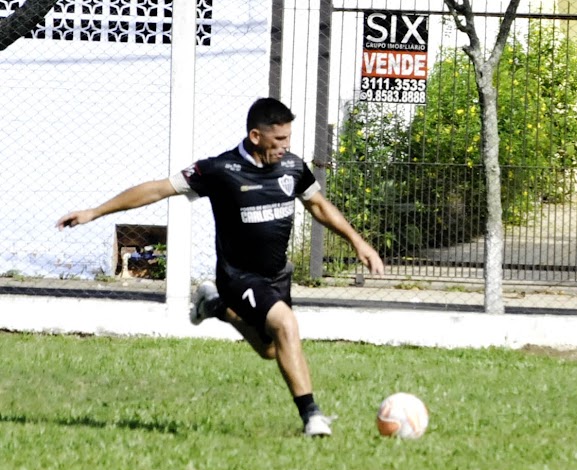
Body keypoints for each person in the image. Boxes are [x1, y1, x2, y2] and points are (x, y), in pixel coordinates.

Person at [57, 97, 384, 437]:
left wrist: (357, 242)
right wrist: (95, 212)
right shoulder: (219, 170)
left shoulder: (292, 167)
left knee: (272, 349)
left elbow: (318, 205)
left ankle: (215, 306)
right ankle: (313, 417)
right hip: (238, 275)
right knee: (286, 326)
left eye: (288, 138)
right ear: (256, 136)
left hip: (276, 276)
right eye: (279, 140)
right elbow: (157, 190)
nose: (285, 147)